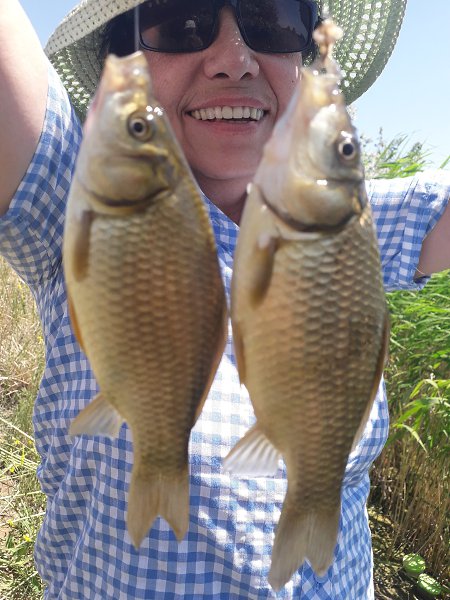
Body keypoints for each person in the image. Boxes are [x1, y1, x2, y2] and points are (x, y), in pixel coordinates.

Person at [0, 0, 449, 598]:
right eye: (182, 20)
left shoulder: (339, 220)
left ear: (302, 60)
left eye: (273, 20)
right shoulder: (80, 203)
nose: (233, 59)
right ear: (125, 57)